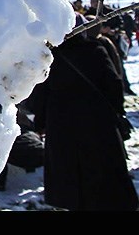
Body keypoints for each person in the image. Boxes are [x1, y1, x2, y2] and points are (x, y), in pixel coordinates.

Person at [25, 14, 139, 211]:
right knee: (105, 169)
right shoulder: (95, 50)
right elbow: (114, 83)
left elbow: (38, 95)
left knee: (70, 177)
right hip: (98, 121)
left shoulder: (49, 58)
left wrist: (41, 122)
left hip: (61, 123)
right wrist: (115, 111)